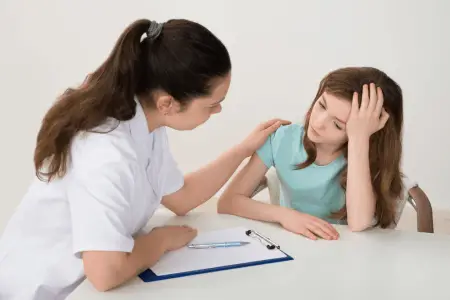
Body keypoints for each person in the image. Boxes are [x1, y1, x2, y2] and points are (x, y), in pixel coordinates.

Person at [0, 19, 288, 300]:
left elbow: (181, 197)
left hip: (83, 284)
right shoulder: (106, 154)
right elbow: (104, 274)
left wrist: (243, 150)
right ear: (168, 103)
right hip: (39, 289)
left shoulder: (145, 121)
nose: (219, 111)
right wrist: (160, 241)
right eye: (212, 105)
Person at [218, 66, 407, 240]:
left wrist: (359, 139)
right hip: (294, 244)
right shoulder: (281, 139)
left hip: (346, 250)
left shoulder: (365, 157)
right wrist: (285, 216)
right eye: (322, 105)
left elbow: (359, 223)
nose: (318, 123)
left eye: (337, 124)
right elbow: (228, 202)